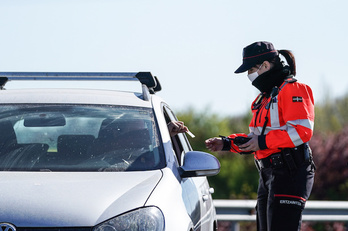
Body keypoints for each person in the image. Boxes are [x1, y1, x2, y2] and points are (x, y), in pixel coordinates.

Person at [205, 41, 315, 231]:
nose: (249, 76)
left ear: (265, 65)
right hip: (268, 174)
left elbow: (301, 131)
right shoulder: (264, 99)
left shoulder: (293, 89)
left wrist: (262, 142)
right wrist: (226, 143)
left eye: (251, 70)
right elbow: (254, 138)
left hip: (290, 173)